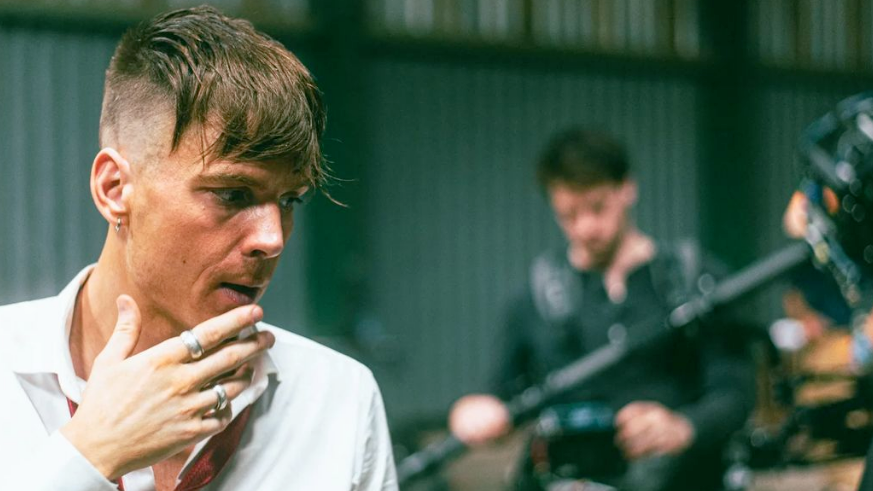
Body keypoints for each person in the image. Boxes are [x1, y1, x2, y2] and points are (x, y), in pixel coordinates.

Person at [0, 6, 397, 491]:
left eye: (290, 199)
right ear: (114, 189)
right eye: (233, 194)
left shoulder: (338, 400)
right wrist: (90, 453)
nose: (272, 238)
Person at [448, 128, 755, 491]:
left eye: (597, 207)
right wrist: (474, 412)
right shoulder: (534, 298)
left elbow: (735, 391)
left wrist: (684, 427)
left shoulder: (694, 279)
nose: (586, 227)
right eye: (568, 215)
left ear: (627, 188)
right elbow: (499, 395)